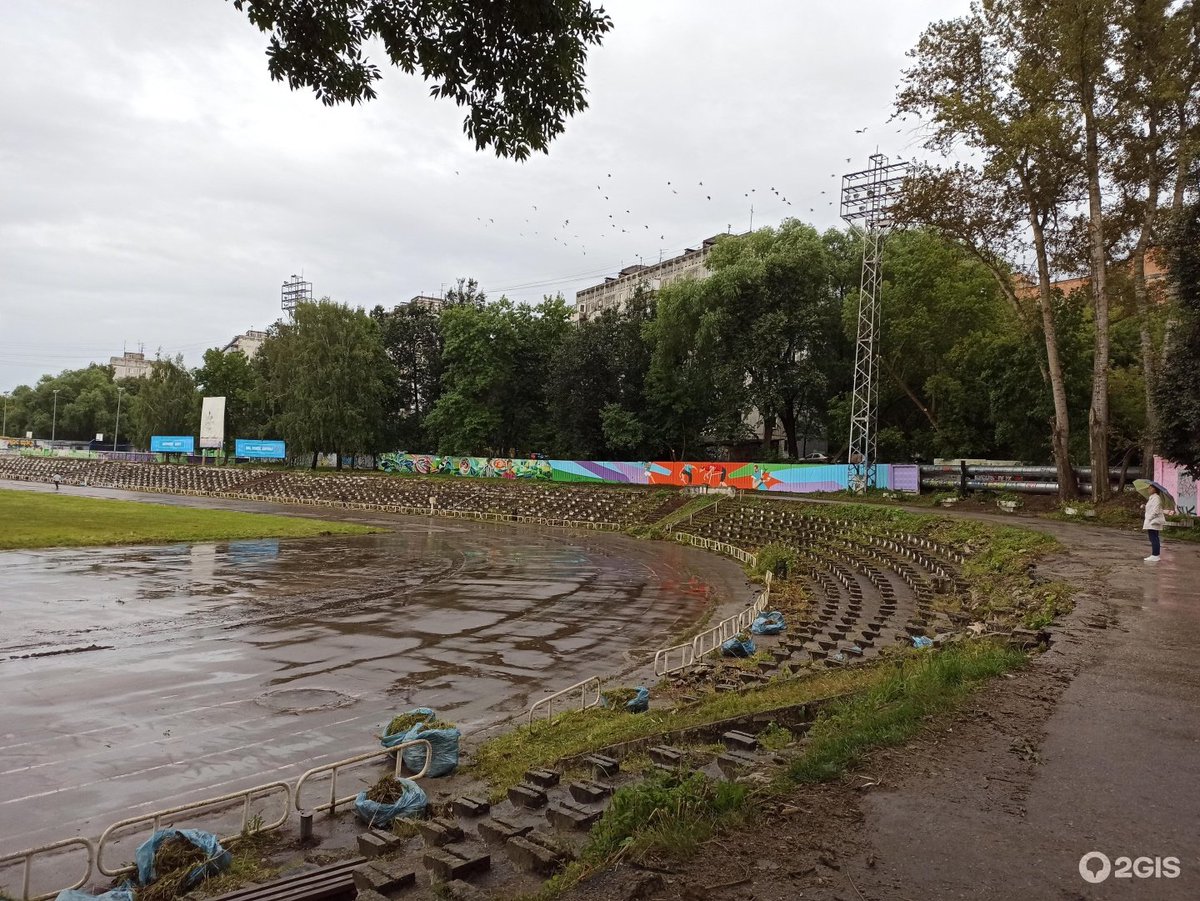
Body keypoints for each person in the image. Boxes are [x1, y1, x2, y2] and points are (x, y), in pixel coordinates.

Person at [1143, 484, 1168, 562]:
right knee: (1153, 537)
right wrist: (1144, 506)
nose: (1149, 489)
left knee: (1154, 538)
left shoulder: (1156, 498)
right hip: (1151, 521)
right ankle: (1155, 555)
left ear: (1155, 489)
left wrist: (1149, 518)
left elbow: (1156, 510)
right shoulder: (1152, 498)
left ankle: (1155, 555)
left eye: (1151, 488)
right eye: (1149, 488)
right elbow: (1151, 508)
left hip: (1153, 521)